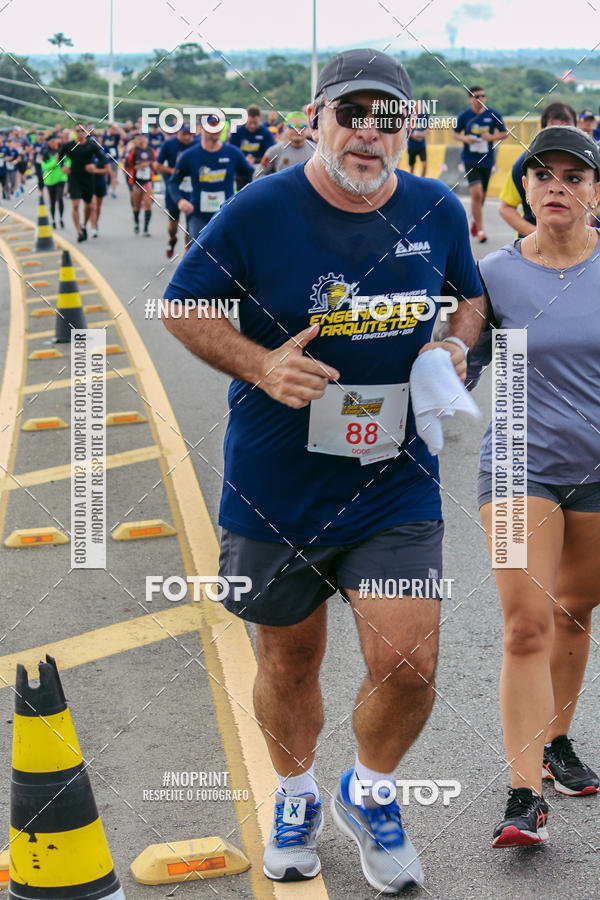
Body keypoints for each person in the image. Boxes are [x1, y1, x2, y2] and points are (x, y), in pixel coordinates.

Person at [162, 47, 484, 894]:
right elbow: (182, 305)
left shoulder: (437, 208)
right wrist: (261, 364)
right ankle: (297, 795)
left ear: (407, 128)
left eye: (388, 117)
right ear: (318, 119)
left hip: (394, 483)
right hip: (276, 491)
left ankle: (370, 791)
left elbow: (472, 294)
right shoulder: (259, 209)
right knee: (289, 663)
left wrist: (451, 344)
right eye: (352, 113)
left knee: (410, 664)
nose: (368, 132)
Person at [467, 126, 600, 848]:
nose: (558, 186)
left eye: (574, 176)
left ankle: (557, 742)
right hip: (519, 466)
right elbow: (465, 357)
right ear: (526, 191)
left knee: (576, 612)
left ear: (594, 192)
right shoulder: (496, 273)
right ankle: (524, 797)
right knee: (526, 623)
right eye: (543, 175)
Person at [169, 115, 253, 244]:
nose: (217, 129)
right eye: (212, 125)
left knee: (226, 254)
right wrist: (180, 201)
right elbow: (173, 182)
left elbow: (250, 176)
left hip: (225, 214)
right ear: (202, 128)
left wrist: (241, 198)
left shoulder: (233, 153)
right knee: (198, 251)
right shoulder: (189, 156)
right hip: (199, 215)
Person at [499, 102, 576, 237]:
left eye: (568, 132)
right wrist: (537, 235)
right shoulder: (525, 163)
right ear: (541, 129)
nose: (561, 138)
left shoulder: (588, 164)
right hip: (532, 250)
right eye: (541, 176)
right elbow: (506, 207)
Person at [454, 86, 508, 243]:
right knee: (476, 194)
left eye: (483, 96)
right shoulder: (465, 115)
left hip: (487, 160)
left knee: (482, 196)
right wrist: (465, 139)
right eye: (477, 96)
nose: (480, 99)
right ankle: (480, 230)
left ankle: (474, 221)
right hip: (470, 159)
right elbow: (455, 133)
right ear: (470, 99)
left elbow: (505, 133)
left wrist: (491, 137)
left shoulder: (493, 114)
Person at [155, 124, 195, 258]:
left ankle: (187, 254)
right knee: (173, 224)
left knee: (191, 225)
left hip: (191, 189)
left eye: (190, 134)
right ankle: (172, 240)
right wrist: (174, 172)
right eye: (185, 134)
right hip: (174, 188)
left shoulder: (197, 145)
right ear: (178, 132)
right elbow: (157, 165)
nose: (188, 137)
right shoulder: (169, 144)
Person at [60, 123, 97, 242]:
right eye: (77, 130)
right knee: (75, 205)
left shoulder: (91, 145)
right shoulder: (68, 145)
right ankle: (79, 232)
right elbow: (59, 156)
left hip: (87, 178)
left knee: (89, 206)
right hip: (74, 177)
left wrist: (94, 165)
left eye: (82, 130)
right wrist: (63, 166)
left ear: (86, 131)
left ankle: (84, 226)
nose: (79, 132)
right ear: (74, 132)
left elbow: (102, 158)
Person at [254, 111, 316, 178]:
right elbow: (257, 175)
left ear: (308, 129)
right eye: (292, 126)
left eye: (302, 126)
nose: (297, 130)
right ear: (285, 128)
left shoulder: (317, 150)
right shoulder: (274, 151)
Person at [228, 103, 275, 190]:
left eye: (255, 123)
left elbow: (271, 154)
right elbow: (230, 152)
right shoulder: (237, 133)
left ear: (259, 119)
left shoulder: (266, 133)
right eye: (250, 123)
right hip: (241, 173)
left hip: (259, 171)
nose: (252, 126)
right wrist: (244, 160)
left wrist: (255, 160)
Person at [126, 133, 156, 236]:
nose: (140, 140)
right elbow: (127, 165)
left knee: (148, 204)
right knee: (137, 205)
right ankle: (136, 223)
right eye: (138, 139)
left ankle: (146, 228)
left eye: (142, 138)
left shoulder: (151, 150)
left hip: (147, 181)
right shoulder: (133, 151)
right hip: (136, 182)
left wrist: (151, 166)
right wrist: (138, 167)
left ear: (146, 139)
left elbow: (155, 163)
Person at [41, 135, 68, 228]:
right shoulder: (45, 153)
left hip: (61, 178)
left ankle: (61, 218)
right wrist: (55, 162)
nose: (53, 143)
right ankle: (53, 220)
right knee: (52, 201)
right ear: (48, 143)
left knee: (59, 197)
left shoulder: (62, 150)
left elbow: (68, 161)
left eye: (54, 141)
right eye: (51, 141)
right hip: (49, 180)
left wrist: (65, 166)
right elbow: (44, 167)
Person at [89, 144, 110, 238]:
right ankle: (93, 228)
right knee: (93, 206)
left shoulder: (102, 156)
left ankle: (95, 223)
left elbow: (107, 170)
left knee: (98, 206)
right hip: (89, 184)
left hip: (100, 183)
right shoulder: (86, 155)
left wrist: (95, 171)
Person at [102, 123, 122, 197]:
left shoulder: (116, 136)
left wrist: (117, 127)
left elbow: (123, 136)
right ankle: (105, 189)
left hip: (114, 158)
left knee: (113, 175)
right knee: (106, 174)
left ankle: (113, 191)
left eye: (114, 129)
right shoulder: (104, 136)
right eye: (112, 129)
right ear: (109, 128)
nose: (114, 130)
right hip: (106, 157)